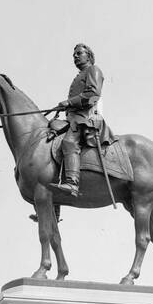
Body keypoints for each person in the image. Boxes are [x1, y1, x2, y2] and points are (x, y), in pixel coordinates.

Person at [50, 43, 104, 197]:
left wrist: (69, 102)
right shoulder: (79, 75)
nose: (75, 56)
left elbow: (93, 94)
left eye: (79, 53)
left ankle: (72, 183)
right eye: (74, 54)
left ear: (89, 55)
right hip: (73, 118)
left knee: (69, 142)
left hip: (86, 117)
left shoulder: (93, 70)